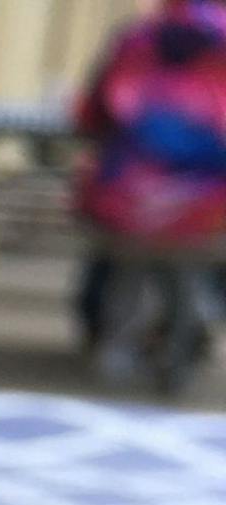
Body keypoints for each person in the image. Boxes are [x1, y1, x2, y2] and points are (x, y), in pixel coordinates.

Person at [73, 0, 226, 373]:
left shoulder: (139, 39)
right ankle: (192, 332)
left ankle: (115, 347)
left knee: (123, 265)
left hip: (129, 198)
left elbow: (95, 111)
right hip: (206, 205)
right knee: (193, 260)